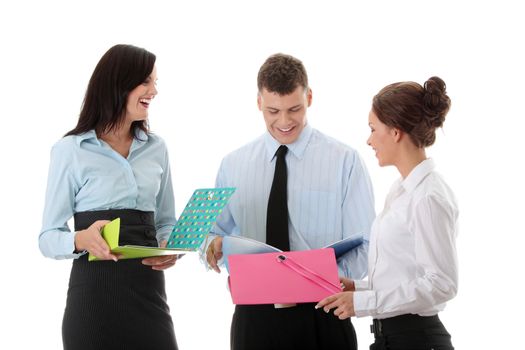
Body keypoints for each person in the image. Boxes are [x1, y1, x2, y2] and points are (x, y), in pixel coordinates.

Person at [206, 53, 375, 350]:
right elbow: (209, 234)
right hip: (253, 318)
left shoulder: (344, 161)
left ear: (309, 97)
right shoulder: (232, 164)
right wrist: (212, 247)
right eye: (273, 111)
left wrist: (320, 279)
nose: (284, 122)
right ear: (259, 103)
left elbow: (366, 245)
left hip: (324, 312)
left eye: (294, 109)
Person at [39, 44, 179, 350]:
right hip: (93, 302)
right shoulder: (70, 151)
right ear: (119, 84)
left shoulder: (157, 148)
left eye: (155, 83)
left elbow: (167, 221)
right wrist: (80, 240)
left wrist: (170, 247)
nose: (153, 91)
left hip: (149, 297)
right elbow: (48, 237)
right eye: (146, 82)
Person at [317, 76, 458, 350]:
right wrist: (358, 288)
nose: (369, 140)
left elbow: (442, 284)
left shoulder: (428, 197)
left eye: (373, 128)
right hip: (390, 339)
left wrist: (364, 302)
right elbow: (404, 276)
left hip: (416, 341)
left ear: (395, 132)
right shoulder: (401, 191)